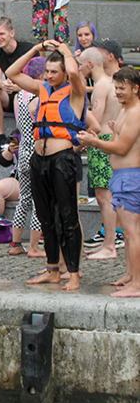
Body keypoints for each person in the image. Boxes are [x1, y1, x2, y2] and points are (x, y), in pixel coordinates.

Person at [5, 40, 86, 291]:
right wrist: (35, 49)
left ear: (63, 72)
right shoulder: (42, 89)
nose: (49, 76)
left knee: (67, 216)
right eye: (47, 71)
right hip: (39, 160)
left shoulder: (75, 90)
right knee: (45, 217)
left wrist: (65, 51)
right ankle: (52, 269)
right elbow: (12, 74)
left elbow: (74, 72)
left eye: (54, 72)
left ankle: (72, 272)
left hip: (62, 160)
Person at [77, 68, 140, 297]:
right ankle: (131, 275)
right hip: (122, 177)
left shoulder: (135, 112)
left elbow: (122, 148)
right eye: (116, 88)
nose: (118, 92)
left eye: (122, 88)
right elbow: (118, 141)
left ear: (135, 88)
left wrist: (94, 142)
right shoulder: (126, 110)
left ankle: (137, 284)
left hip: (131, 177)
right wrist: (110, 135)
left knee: (133, 232)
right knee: (129, 230)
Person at [78, 47, 120, 261]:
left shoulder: (101, 87)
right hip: (105, 142)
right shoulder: (109, 83)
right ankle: (108, 242)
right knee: (105, 197)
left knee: (105, 198)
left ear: (90, 65)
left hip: (102, 143)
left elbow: (95, 119)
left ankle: (110, 245)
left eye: (81, 65)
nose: (80, 69)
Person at [7, 56, 45, 257]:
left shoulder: (18, 96)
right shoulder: (37, 97)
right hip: (36, 152)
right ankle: (34, 246)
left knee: (24, 199)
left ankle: (15, 243)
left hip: (22, 152)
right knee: (39, 201)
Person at [0, 17, 33, 147]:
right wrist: (4, 85)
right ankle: (1, 137)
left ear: (12, 33)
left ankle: (22, 136)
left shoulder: (28, 49)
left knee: (20, 95)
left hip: (26, 93)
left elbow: (36, 81)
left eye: (2, 34)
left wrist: (17, 87)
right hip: (8, 93)